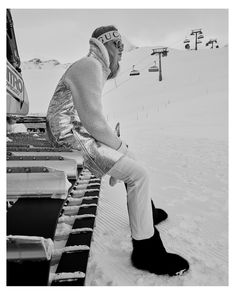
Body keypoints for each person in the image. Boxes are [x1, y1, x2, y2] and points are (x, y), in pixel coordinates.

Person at [46, 25, 189, 276]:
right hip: (68, 137)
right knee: (138, 175)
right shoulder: (89, 65)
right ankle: (146, 251)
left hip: (75, 132)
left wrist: (121, 151)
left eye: (123, 47)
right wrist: (118, 148)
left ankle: (146, 212)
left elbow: (92, 121)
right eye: (118, 46)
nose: (122, 52)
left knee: (132, 161)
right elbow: (94, 122)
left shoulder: (93, 67)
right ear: (105, 44)